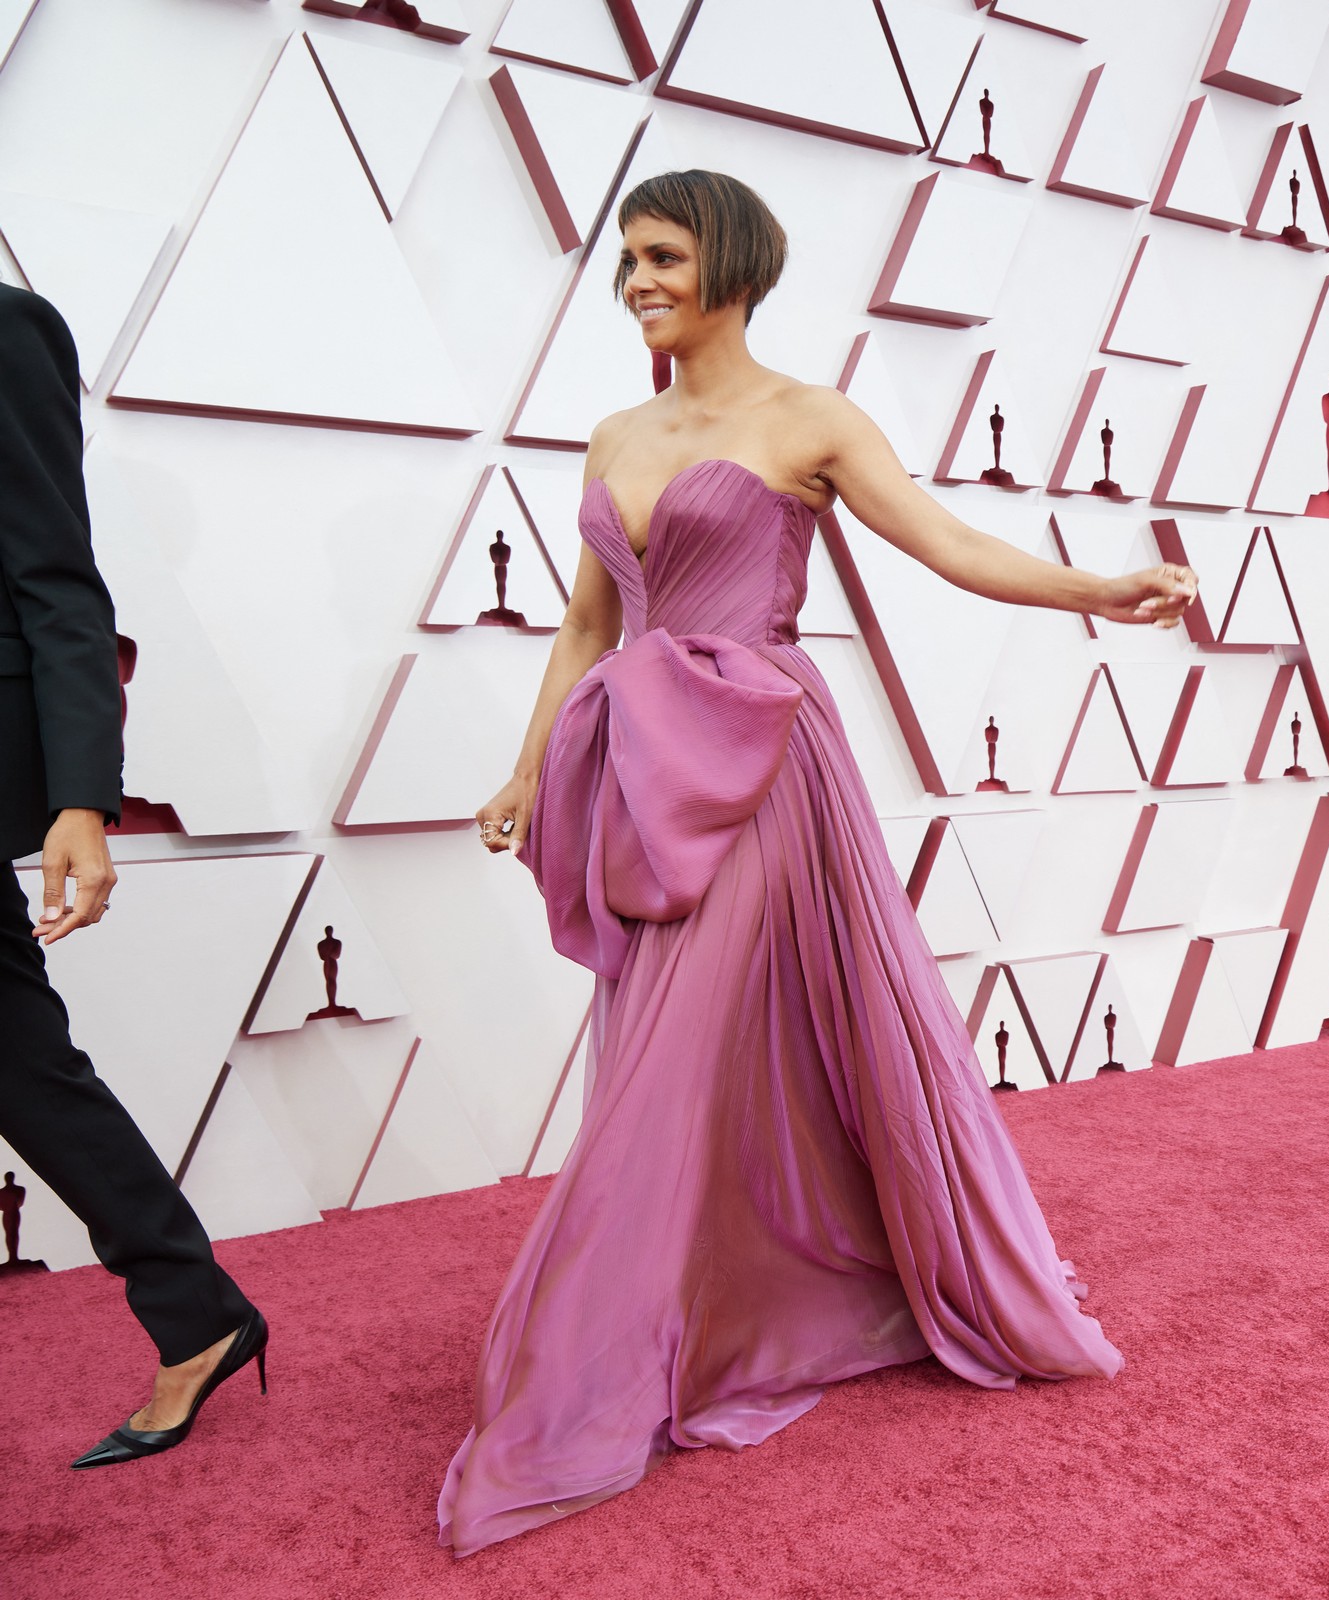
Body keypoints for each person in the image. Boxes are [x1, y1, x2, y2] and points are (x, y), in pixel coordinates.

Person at [442, 172, 1191, 1557]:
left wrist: (1096, 587)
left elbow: (946, 544)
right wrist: (527, 765)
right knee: (668, 1040)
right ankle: (708, 1312)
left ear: (729, 263)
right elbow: (587, 627)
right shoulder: (613, 434)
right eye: (626, 259)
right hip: (644, 767)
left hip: (760, 764)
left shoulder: (813, 418)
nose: (636, 281)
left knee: (680, 1056)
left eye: (662, 256)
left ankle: (604, 1355)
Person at [0, 284, 267, 1468]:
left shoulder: (5, 331)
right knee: (22, 1063)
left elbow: (57, 576)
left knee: (23, 1062)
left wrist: (81, 796)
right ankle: (194, 1308)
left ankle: (192, 1305)